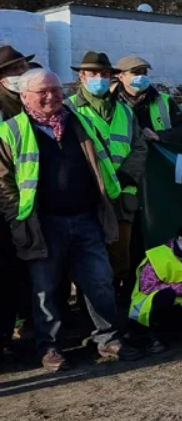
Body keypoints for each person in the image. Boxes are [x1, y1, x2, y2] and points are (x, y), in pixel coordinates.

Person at [0, 69, 142, 370]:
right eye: (42, 92)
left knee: (99, 282)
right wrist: (17, 218)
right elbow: (3, 181)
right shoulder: (11, 131)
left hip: (87, 218)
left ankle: (108, 338)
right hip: (42, 224)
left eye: (54, 89)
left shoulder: (82, 122)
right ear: (25, 96)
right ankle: (49, 348)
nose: (51, 96)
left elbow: (102, 161)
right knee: (45, 290)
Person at [66, 51, 148, 307]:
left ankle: (116, 313)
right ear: (82, 76)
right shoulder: (68, 109)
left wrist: (126, 175)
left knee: (120, 257)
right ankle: (86, 312)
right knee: (87, 259)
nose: (99, 78)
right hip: (89, 196)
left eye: (104, 74)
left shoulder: (125, 111)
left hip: (123, 194)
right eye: (94, 74)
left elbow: (140, 146)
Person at [129, 221, 182, 353]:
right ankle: (149, 335)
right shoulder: (159, 256)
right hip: (146, 304)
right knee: (166, 296)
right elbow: (147, 287)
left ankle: (179, 330)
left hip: (181, 299)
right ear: (181, 240)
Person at [0, 45, 32, 354]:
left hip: (34, 199)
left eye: (23, 68)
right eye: (14, 70)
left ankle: (27, 323)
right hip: (8, 202)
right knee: (8, 271)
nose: (20, 75)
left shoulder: (32, 101)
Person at [115, 56, 182, 145]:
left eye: (144, 73)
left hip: (157, 156)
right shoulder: (111, 102)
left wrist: (159, 136)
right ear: (121, 76)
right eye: (136, 73)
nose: (141, 77)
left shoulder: (163, 101)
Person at [0, 45, 31, 120]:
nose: (21, 71)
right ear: (1, 77)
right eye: (14, 69)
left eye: (23, 66)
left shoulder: (37, 91)